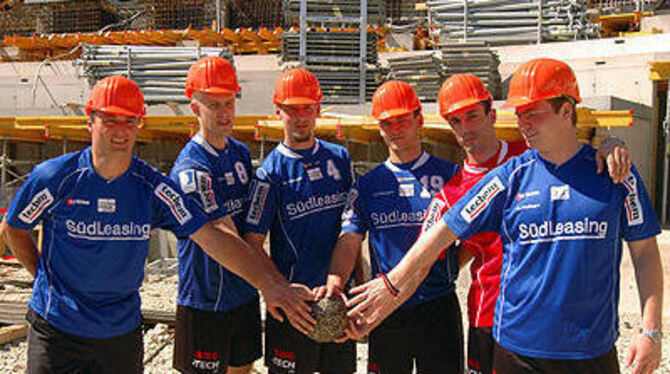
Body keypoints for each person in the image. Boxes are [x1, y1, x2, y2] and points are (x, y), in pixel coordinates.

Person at [347, 58, 663, 374]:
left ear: (566, 111)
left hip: (590, 349)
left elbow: (646, 253)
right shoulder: (505, 178)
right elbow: (438, 237)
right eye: (520, 115)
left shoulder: (614, 174)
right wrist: (390, 287)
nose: (523, 123)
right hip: (513, 343)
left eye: (532, 114)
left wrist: (650, 330)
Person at [1, 75, 313, 374]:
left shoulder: (151, 188)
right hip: (58, 329)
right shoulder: (55, 178)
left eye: (129, 121)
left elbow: (210, 235)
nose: (120, 131)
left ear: (139, 125)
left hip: (120, 332)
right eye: (110, 120)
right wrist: (44, 276)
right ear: (90, 120)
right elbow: (14, 228)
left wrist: (269, 285)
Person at [418, 73, 631, 374]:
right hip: (488, 315)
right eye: (455, 121)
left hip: (547, 322)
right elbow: (431, 256)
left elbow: (574, 154)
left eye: (472, 116)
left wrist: (613, 143)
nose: (465, 128)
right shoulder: (451, 193)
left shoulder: (528, 156)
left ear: (491, 115)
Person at [315, 80, 464, 373]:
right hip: (387, 307)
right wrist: (335, 283)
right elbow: (349, 240)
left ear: (419, 120)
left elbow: (473, 238)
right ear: (379, 127)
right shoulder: (368, 185)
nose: (395, 129)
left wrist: (451, 268)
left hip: (438, 305)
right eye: (387, 123)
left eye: (402, 121)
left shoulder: (450, 176)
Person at [244, 68, 356, 374]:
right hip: (295, 307)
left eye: (307, 107)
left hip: (336, 298)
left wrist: (354, 287)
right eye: (292, 109)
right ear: (278, 110)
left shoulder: (340, 160)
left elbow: (353, 232)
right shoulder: (269, 174)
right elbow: (252, 243)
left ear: (318, 109)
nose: (301, 117)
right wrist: (279, 290)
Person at [170, 56, 265, 374]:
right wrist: (274, 284)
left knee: (243, 368)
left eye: (229, 103)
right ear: (195, 108)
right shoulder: (190, 168)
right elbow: (224, 233)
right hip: (206, 300)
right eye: (214, 105)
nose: (225, 113)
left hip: (244, 293)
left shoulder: (238, 152)